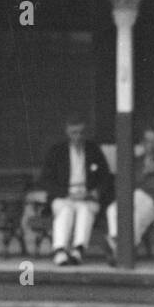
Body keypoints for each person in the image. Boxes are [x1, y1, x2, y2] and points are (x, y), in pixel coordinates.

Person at [37, 111, 113, 265]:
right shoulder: (57, 151)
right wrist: (66, 194)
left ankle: (78, 250)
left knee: (84, 210)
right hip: (64, 196)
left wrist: (94, 192)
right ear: (67, 132)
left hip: (87, 196)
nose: (77, 137)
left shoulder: (93, 150)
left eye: (80, 133)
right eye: (74, 133)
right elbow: (46, 179)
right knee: (65, 211)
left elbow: (105, 177)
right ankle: (60, 250)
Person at [105, 125, 154, 263]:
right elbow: (124, 183)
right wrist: (145, 172)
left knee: (135, 216)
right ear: (142, 143)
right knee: (113, 209)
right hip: (132, 199)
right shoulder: (133, 162)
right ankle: (118, 242)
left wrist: (141, 180)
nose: (150, 145)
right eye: (147, 141)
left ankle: (122, 249)